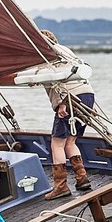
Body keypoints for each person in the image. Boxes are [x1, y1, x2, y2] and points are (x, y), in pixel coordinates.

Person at [40, 30, 95, 200]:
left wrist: (61, 103)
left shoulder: (45, 55)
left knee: (57, 144)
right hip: (87, 94)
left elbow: (56, 79)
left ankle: (61, 186)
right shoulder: (65, 50)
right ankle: (82, 179)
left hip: (69, 99)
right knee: (71, 141)